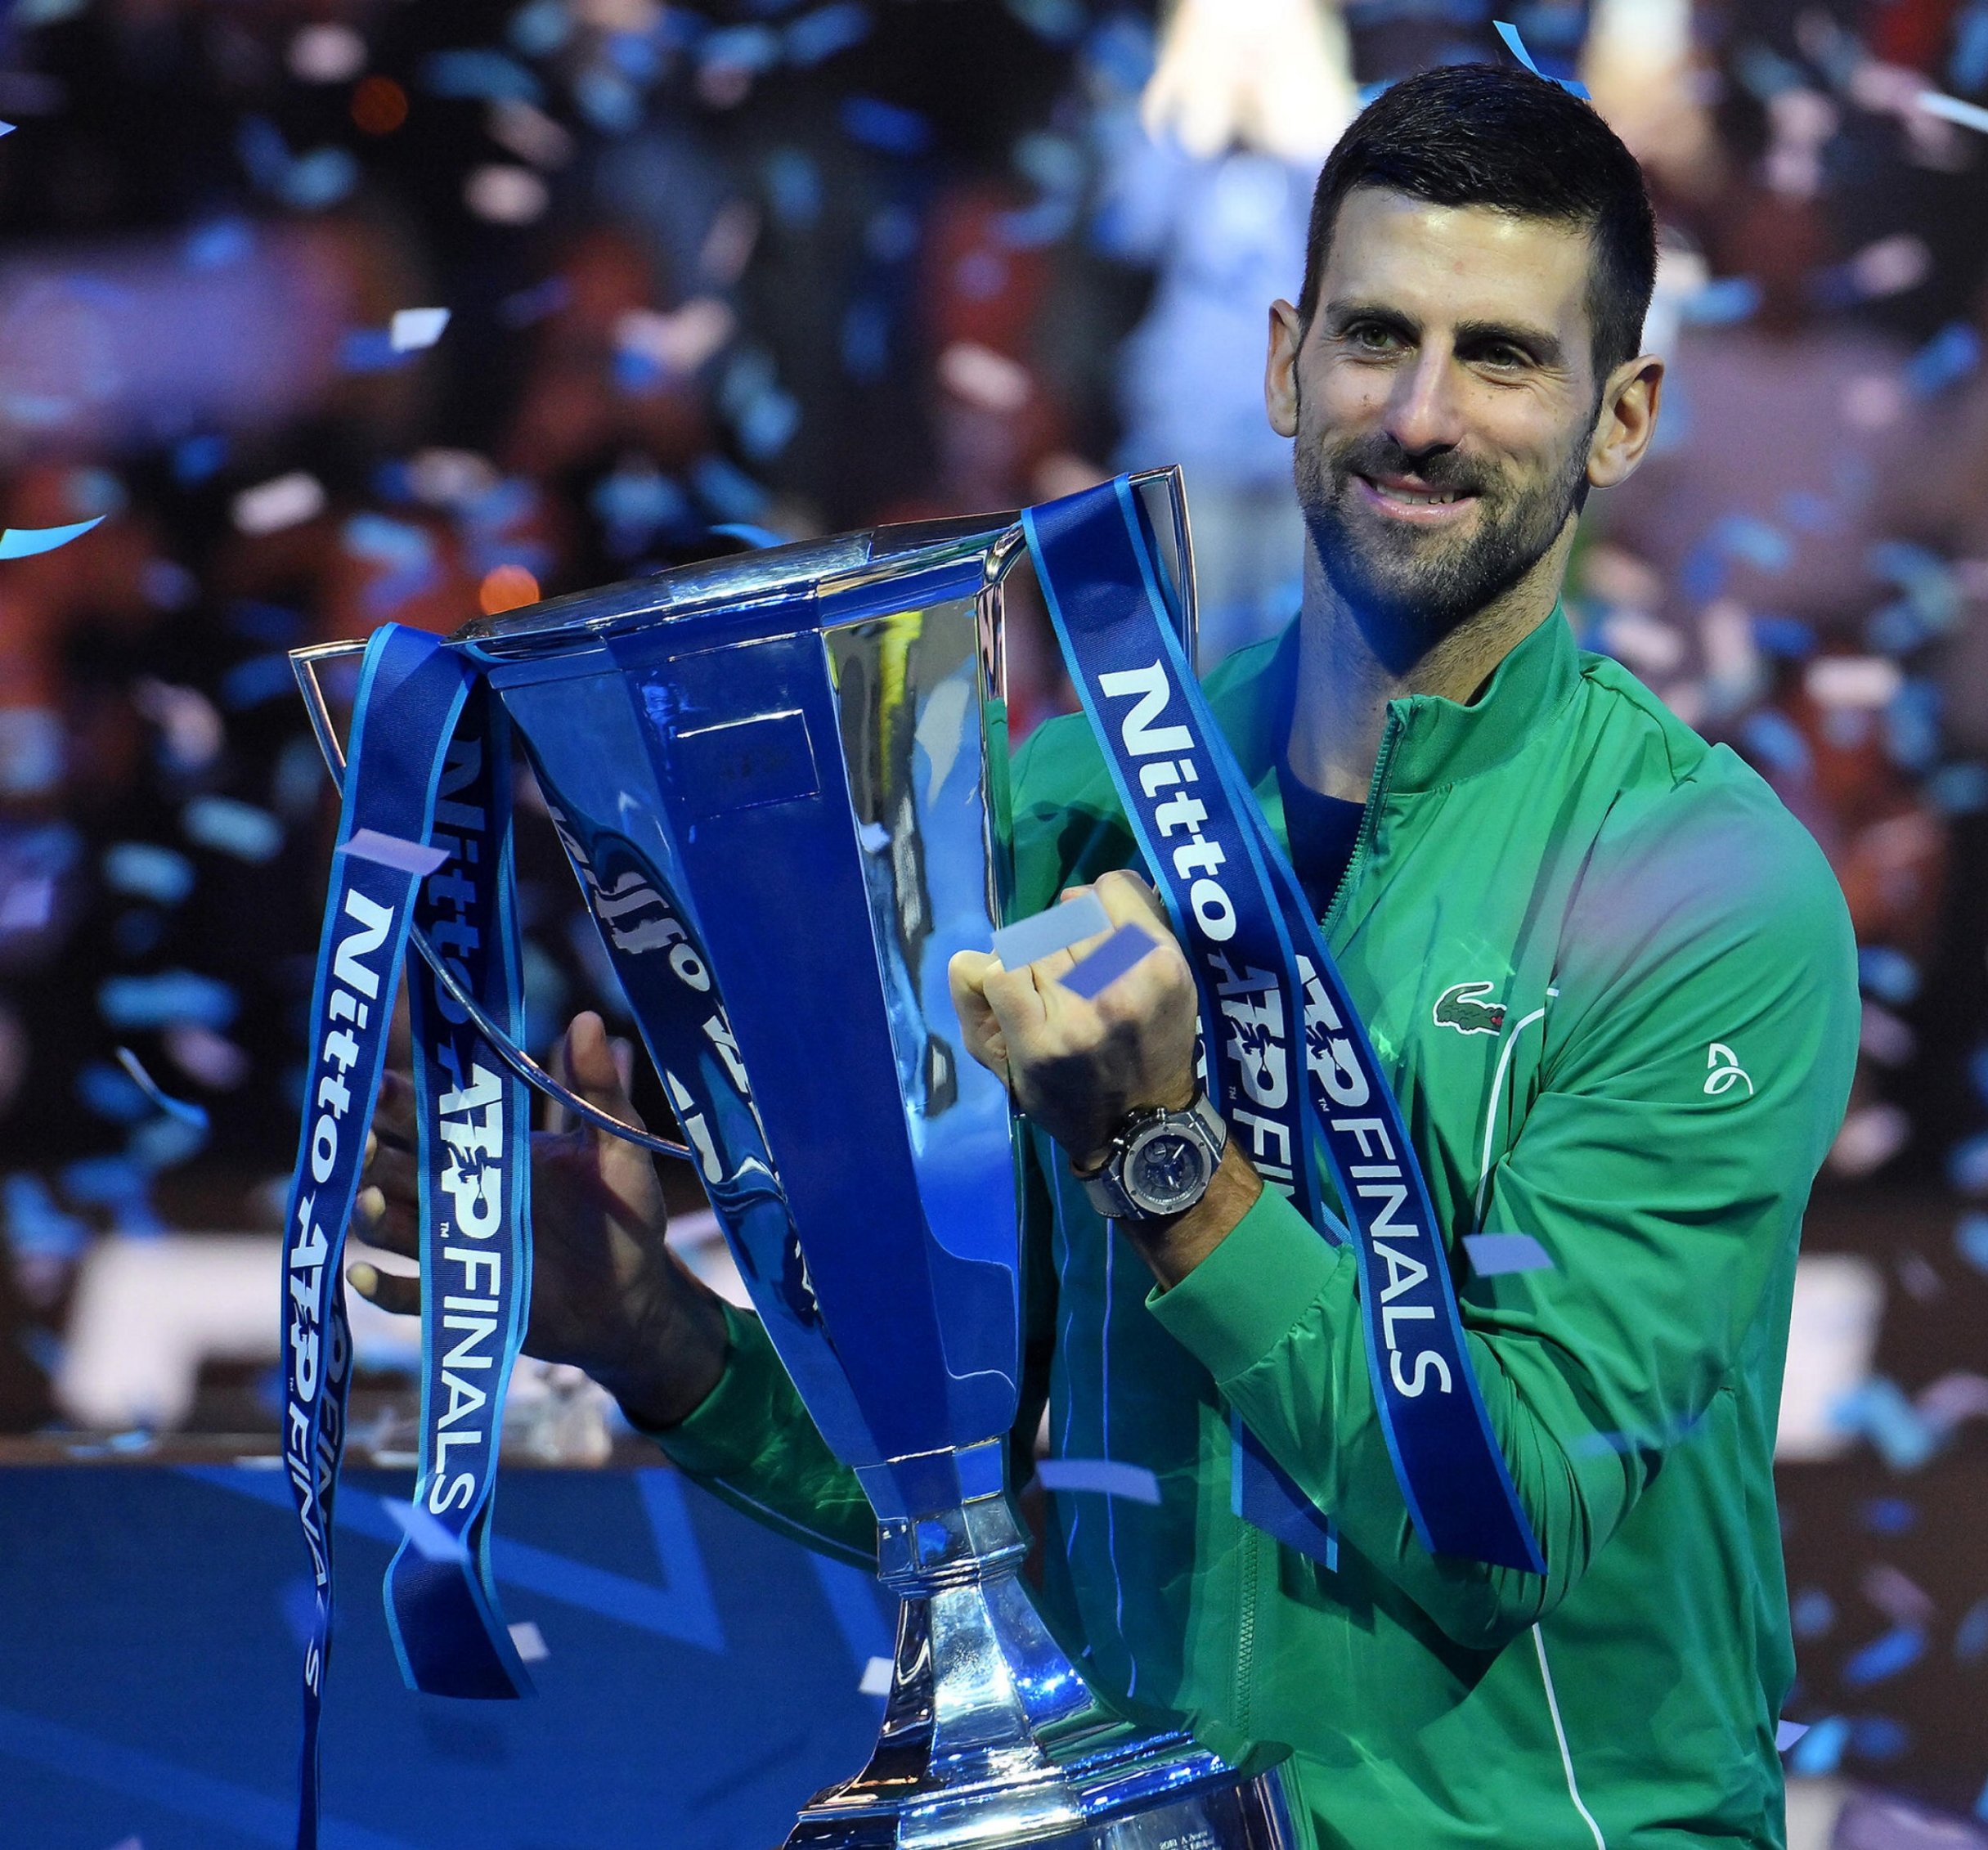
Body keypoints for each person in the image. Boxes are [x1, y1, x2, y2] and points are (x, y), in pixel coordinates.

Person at [349, 64, 1859, 1850]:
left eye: (1505, 357)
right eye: (1377, 337)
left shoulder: (1706, 893)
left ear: (1623, 419)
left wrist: (1172, 1169)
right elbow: (1005, 1496)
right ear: (1285, 360)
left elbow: (1503, 1524)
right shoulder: (1067, 809)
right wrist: (657, 1336)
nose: (1422, 415)